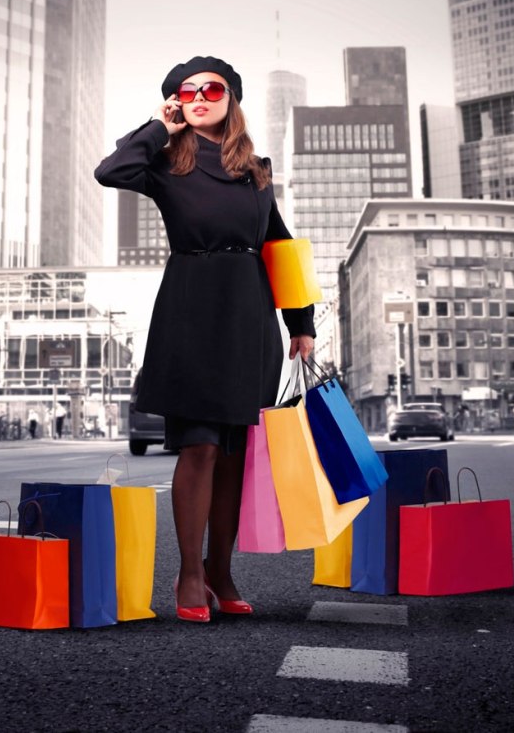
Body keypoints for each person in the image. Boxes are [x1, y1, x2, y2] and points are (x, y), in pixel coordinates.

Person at [95, 55, 316, 623]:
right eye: (183, 92)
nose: (197, 96)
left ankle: (221, 569)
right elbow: (110, 171)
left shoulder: (257, 170)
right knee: (199, 445)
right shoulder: (166, 160)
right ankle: (189, 574)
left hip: (249, 312)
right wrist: (158, 126)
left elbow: (279, 245)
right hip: (190, 305)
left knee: (236, 454)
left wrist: (302, 323)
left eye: (209, 88)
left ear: (231, 98)